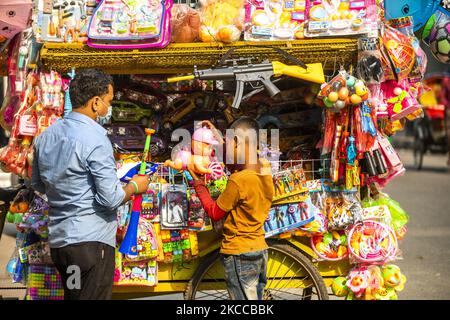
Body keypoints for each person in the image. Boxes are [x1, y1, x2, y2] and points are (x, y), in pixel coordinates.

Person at [31, 69, 150, 300]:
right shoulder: (96, 139)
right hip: (90, 245)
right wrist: (135, 187)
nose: (109, 108)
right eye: (108, 102)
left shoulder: (46, 136)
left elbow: (39, 184)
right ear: (96, 102)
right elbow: (110, 198)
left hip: (61, 244)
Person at [189, 117, 274, 300]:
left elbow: (214, 211)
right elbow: (236, 158)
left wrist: (197, 183)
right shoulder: (264, 168)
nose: (224, 151)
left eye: (228, 145)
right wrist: (220, 137)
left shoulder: (238, 181)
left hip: (239, 253)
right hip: (259, 248)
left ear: (236, 143)